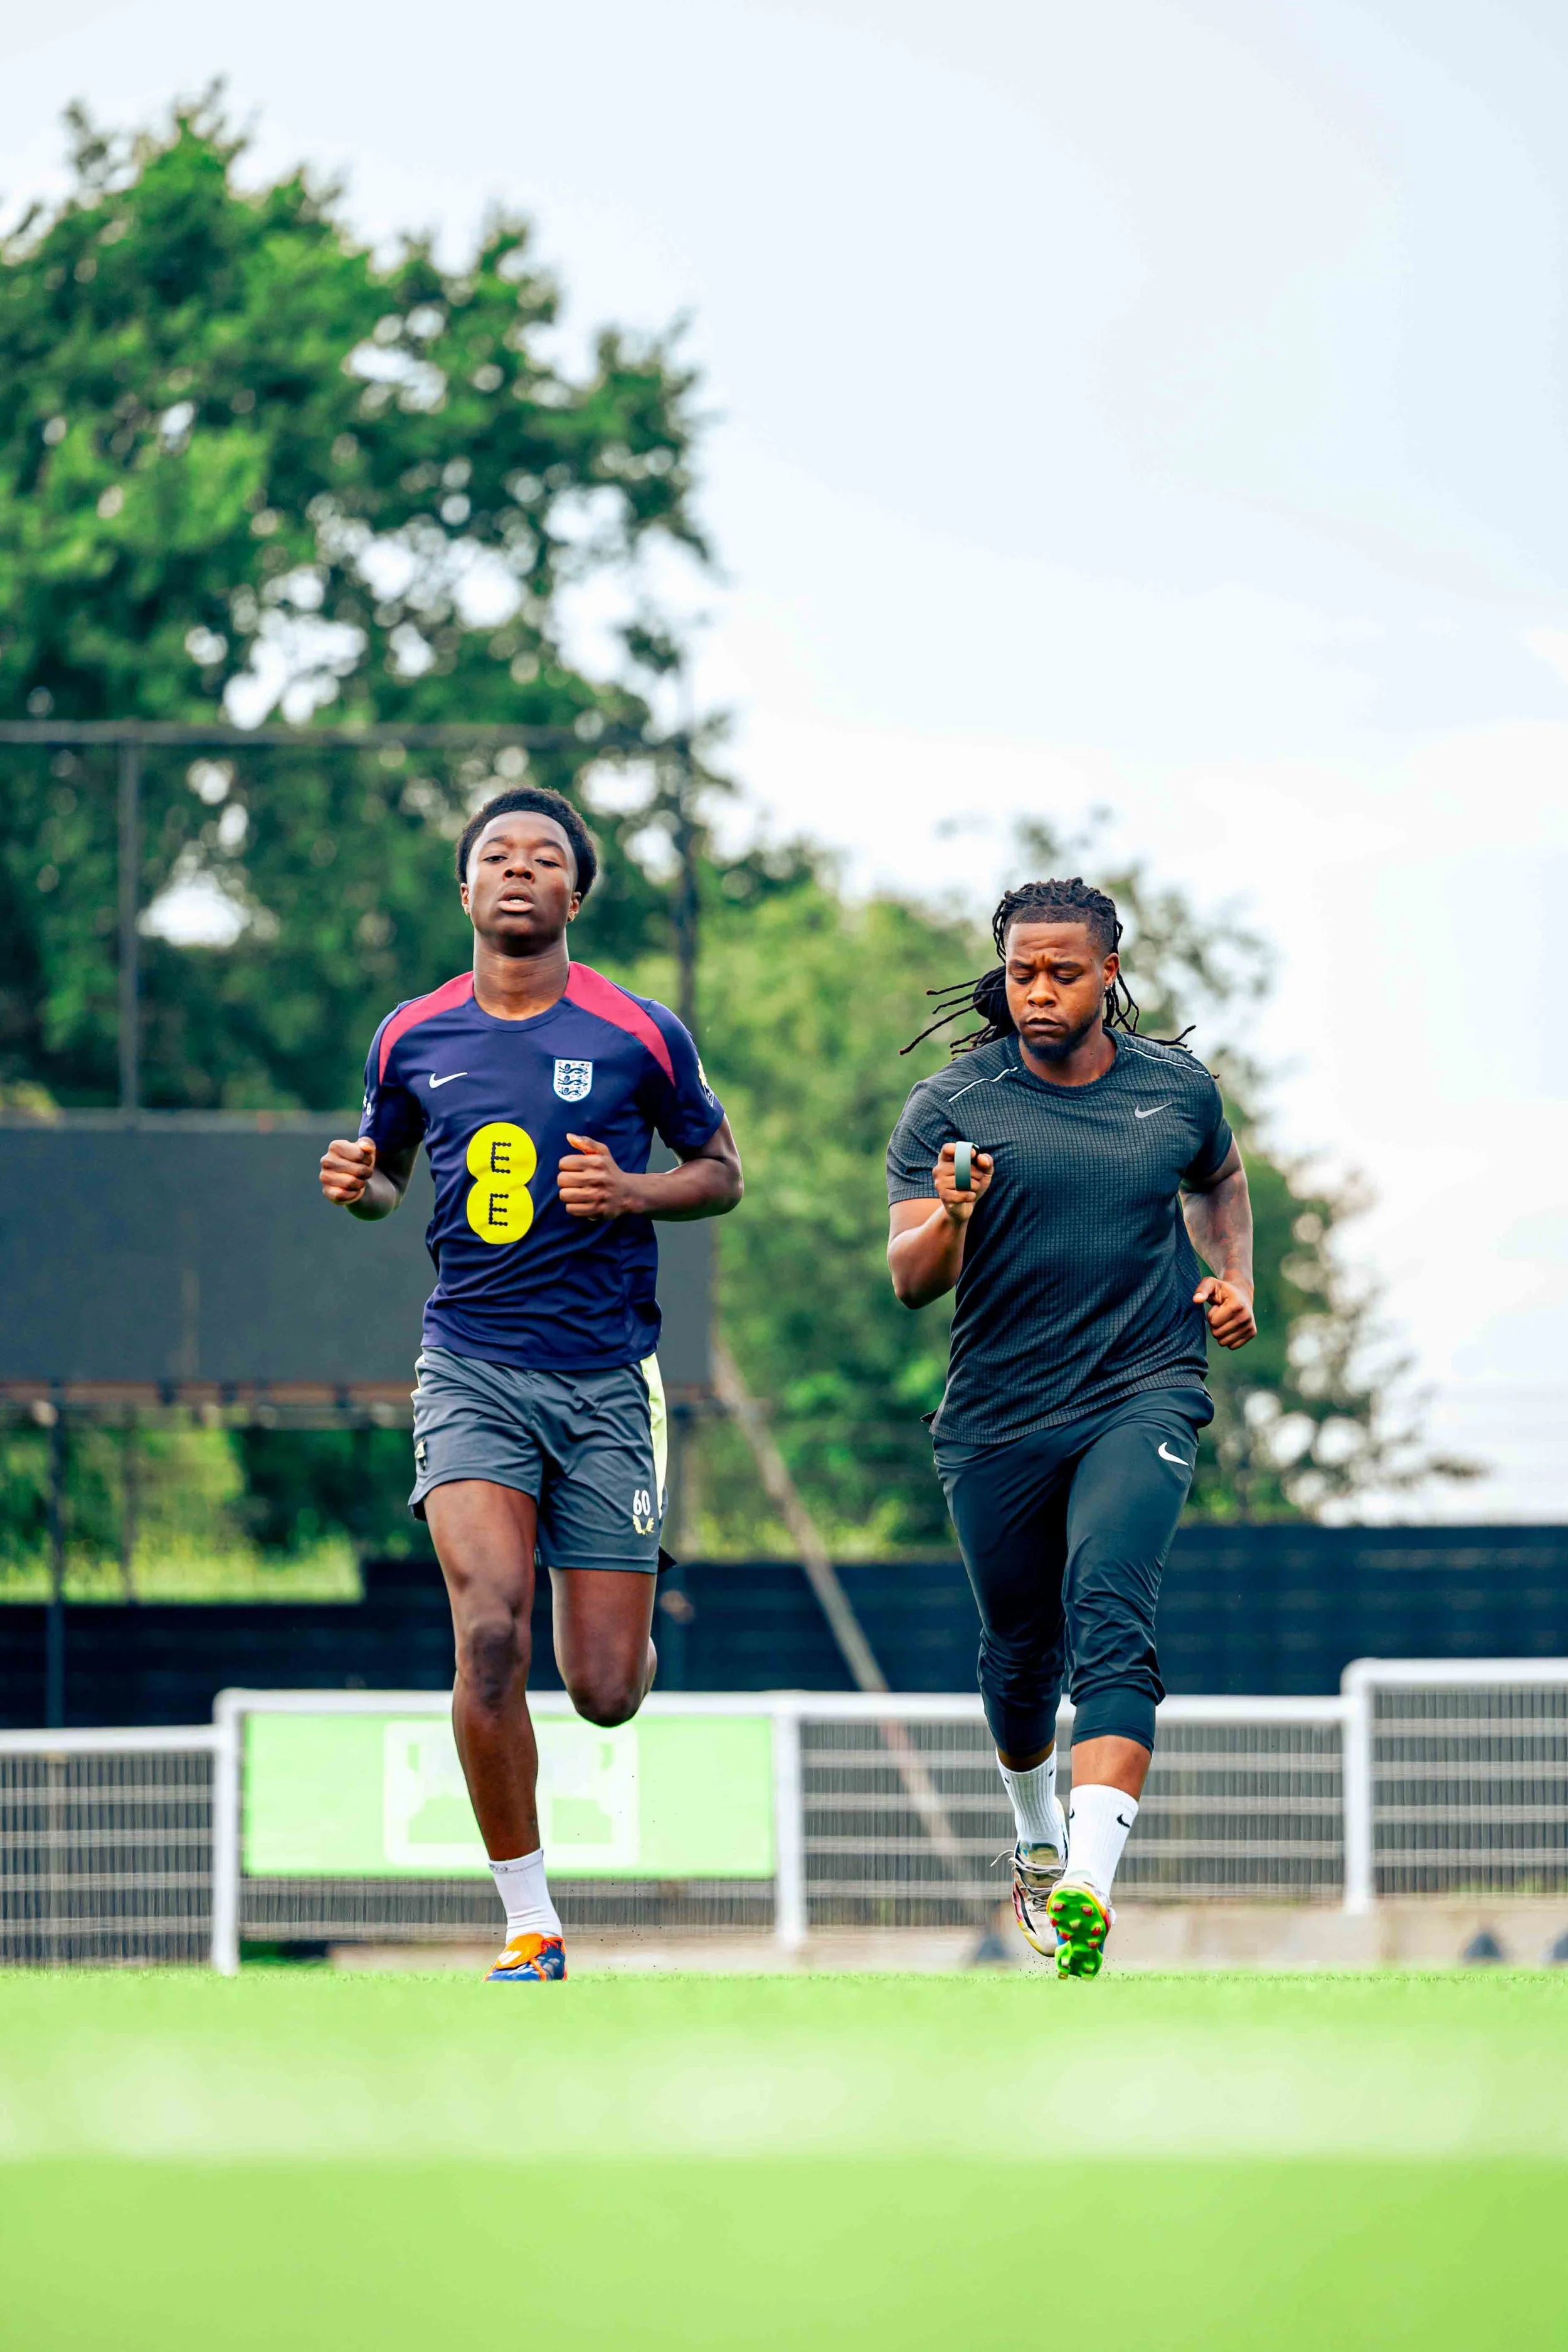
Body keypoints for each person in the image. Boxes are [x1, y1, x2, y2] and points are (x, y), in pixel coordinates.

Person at [319, 785, 743, 1983]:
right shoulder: (410, 1036)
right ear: (465, 891)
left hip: (608, 1380)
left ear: (574, 895)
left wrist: (638, 1190)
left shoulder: (641, 1034)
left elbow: (721, 1172)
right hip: (470, 1368)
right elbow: (389, 1173)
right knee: (490, 1629)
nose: (518, 870)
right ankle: (529, 1919)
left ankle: (634, 1610)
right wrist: (364, 1185)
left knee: (603, 1689)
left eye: (544, 857)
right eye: (495, 856)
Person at [885, 877, 1255, 1978]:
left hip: (1145, 1390)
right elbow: (909, 1281)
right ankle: (1040, 1837)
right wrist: (952, 1217)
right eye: (1020, 972)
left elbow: (1219, 1176)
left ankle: (1090, 1883)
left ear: (1109, 973)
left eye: (1063, 971)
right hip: (997, 1416)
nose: (1039, 991)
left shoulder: (1174, 1091)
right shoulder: (951, 1104)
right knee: (1019, 1657)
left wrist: (1232, 1274)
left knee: (1111, 1608)